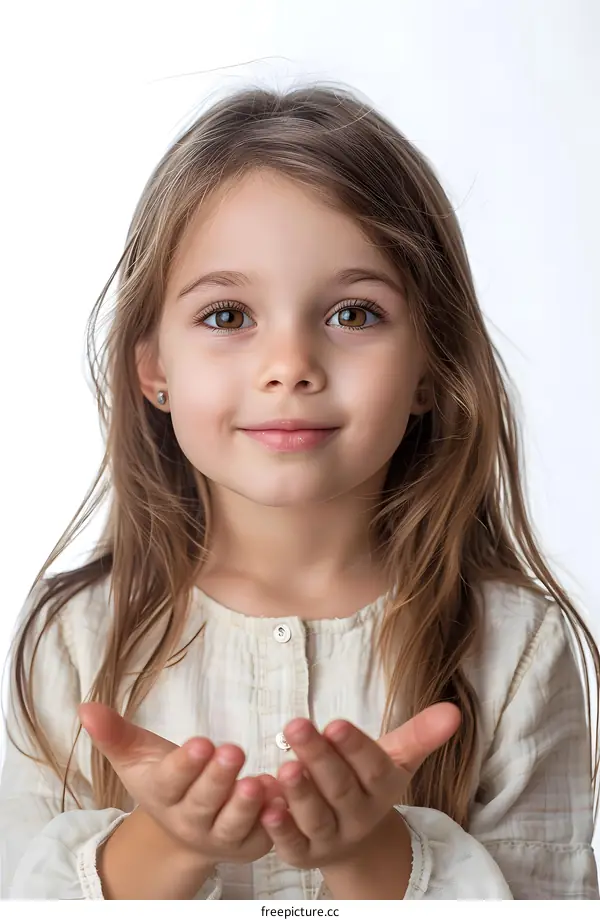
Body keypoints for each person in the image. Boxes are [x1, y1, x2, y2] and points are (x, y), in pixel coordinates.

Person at [0, 83, 598, 901]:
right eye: (226, 316)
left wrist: (371, 856)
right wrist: (164, 844)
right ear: (154, 369)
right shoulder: (75, 640)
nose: (291, 364)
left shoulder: (518, 647)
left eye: (353, 313)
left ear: (432, 367)